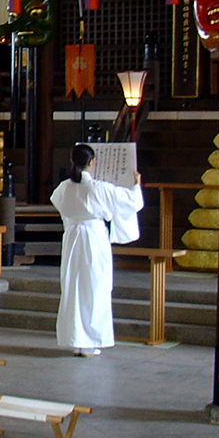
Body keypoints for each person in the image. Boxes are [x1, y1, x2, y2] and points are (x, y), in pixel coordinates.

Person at [50, 144, 143, 357]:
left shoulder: (65, 187)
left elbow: (57, 201)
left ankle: (76, 340)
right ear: (91, 163)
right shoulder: (98, 188)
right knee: (94, 286)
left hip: (73, 237)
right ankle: (89, 342)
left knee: (73, 286)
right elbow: (130, 201)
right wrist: (136, 185)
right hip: (92, 237)